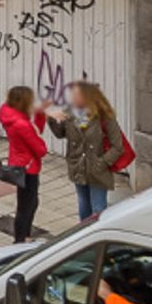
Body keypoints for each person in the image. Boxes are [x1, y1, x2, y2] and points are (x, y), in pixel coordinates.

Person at [45, 80, 125, 220]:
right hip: (78, 166)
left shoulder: (104, 116)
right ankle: (83, 236)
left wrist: (101, 163)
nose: (72, 98)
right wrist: (52, 120)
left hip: (97, 170)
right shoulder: (70, 113)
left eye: (76, 95)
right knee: (84, 206)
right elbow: (60, 134)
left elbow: (117, 146)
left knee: (98, 210)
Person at [0, 86, 49, 243]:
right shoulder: (22, 124)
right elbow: (41, 149)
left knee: (29, 203)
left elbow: (36, 130)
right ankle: (20, 239)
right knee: (27, 206)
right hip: (28, 168)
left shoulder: (9, 114)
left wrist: (40, 114)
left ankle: (23, 236)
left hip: (19, 163)